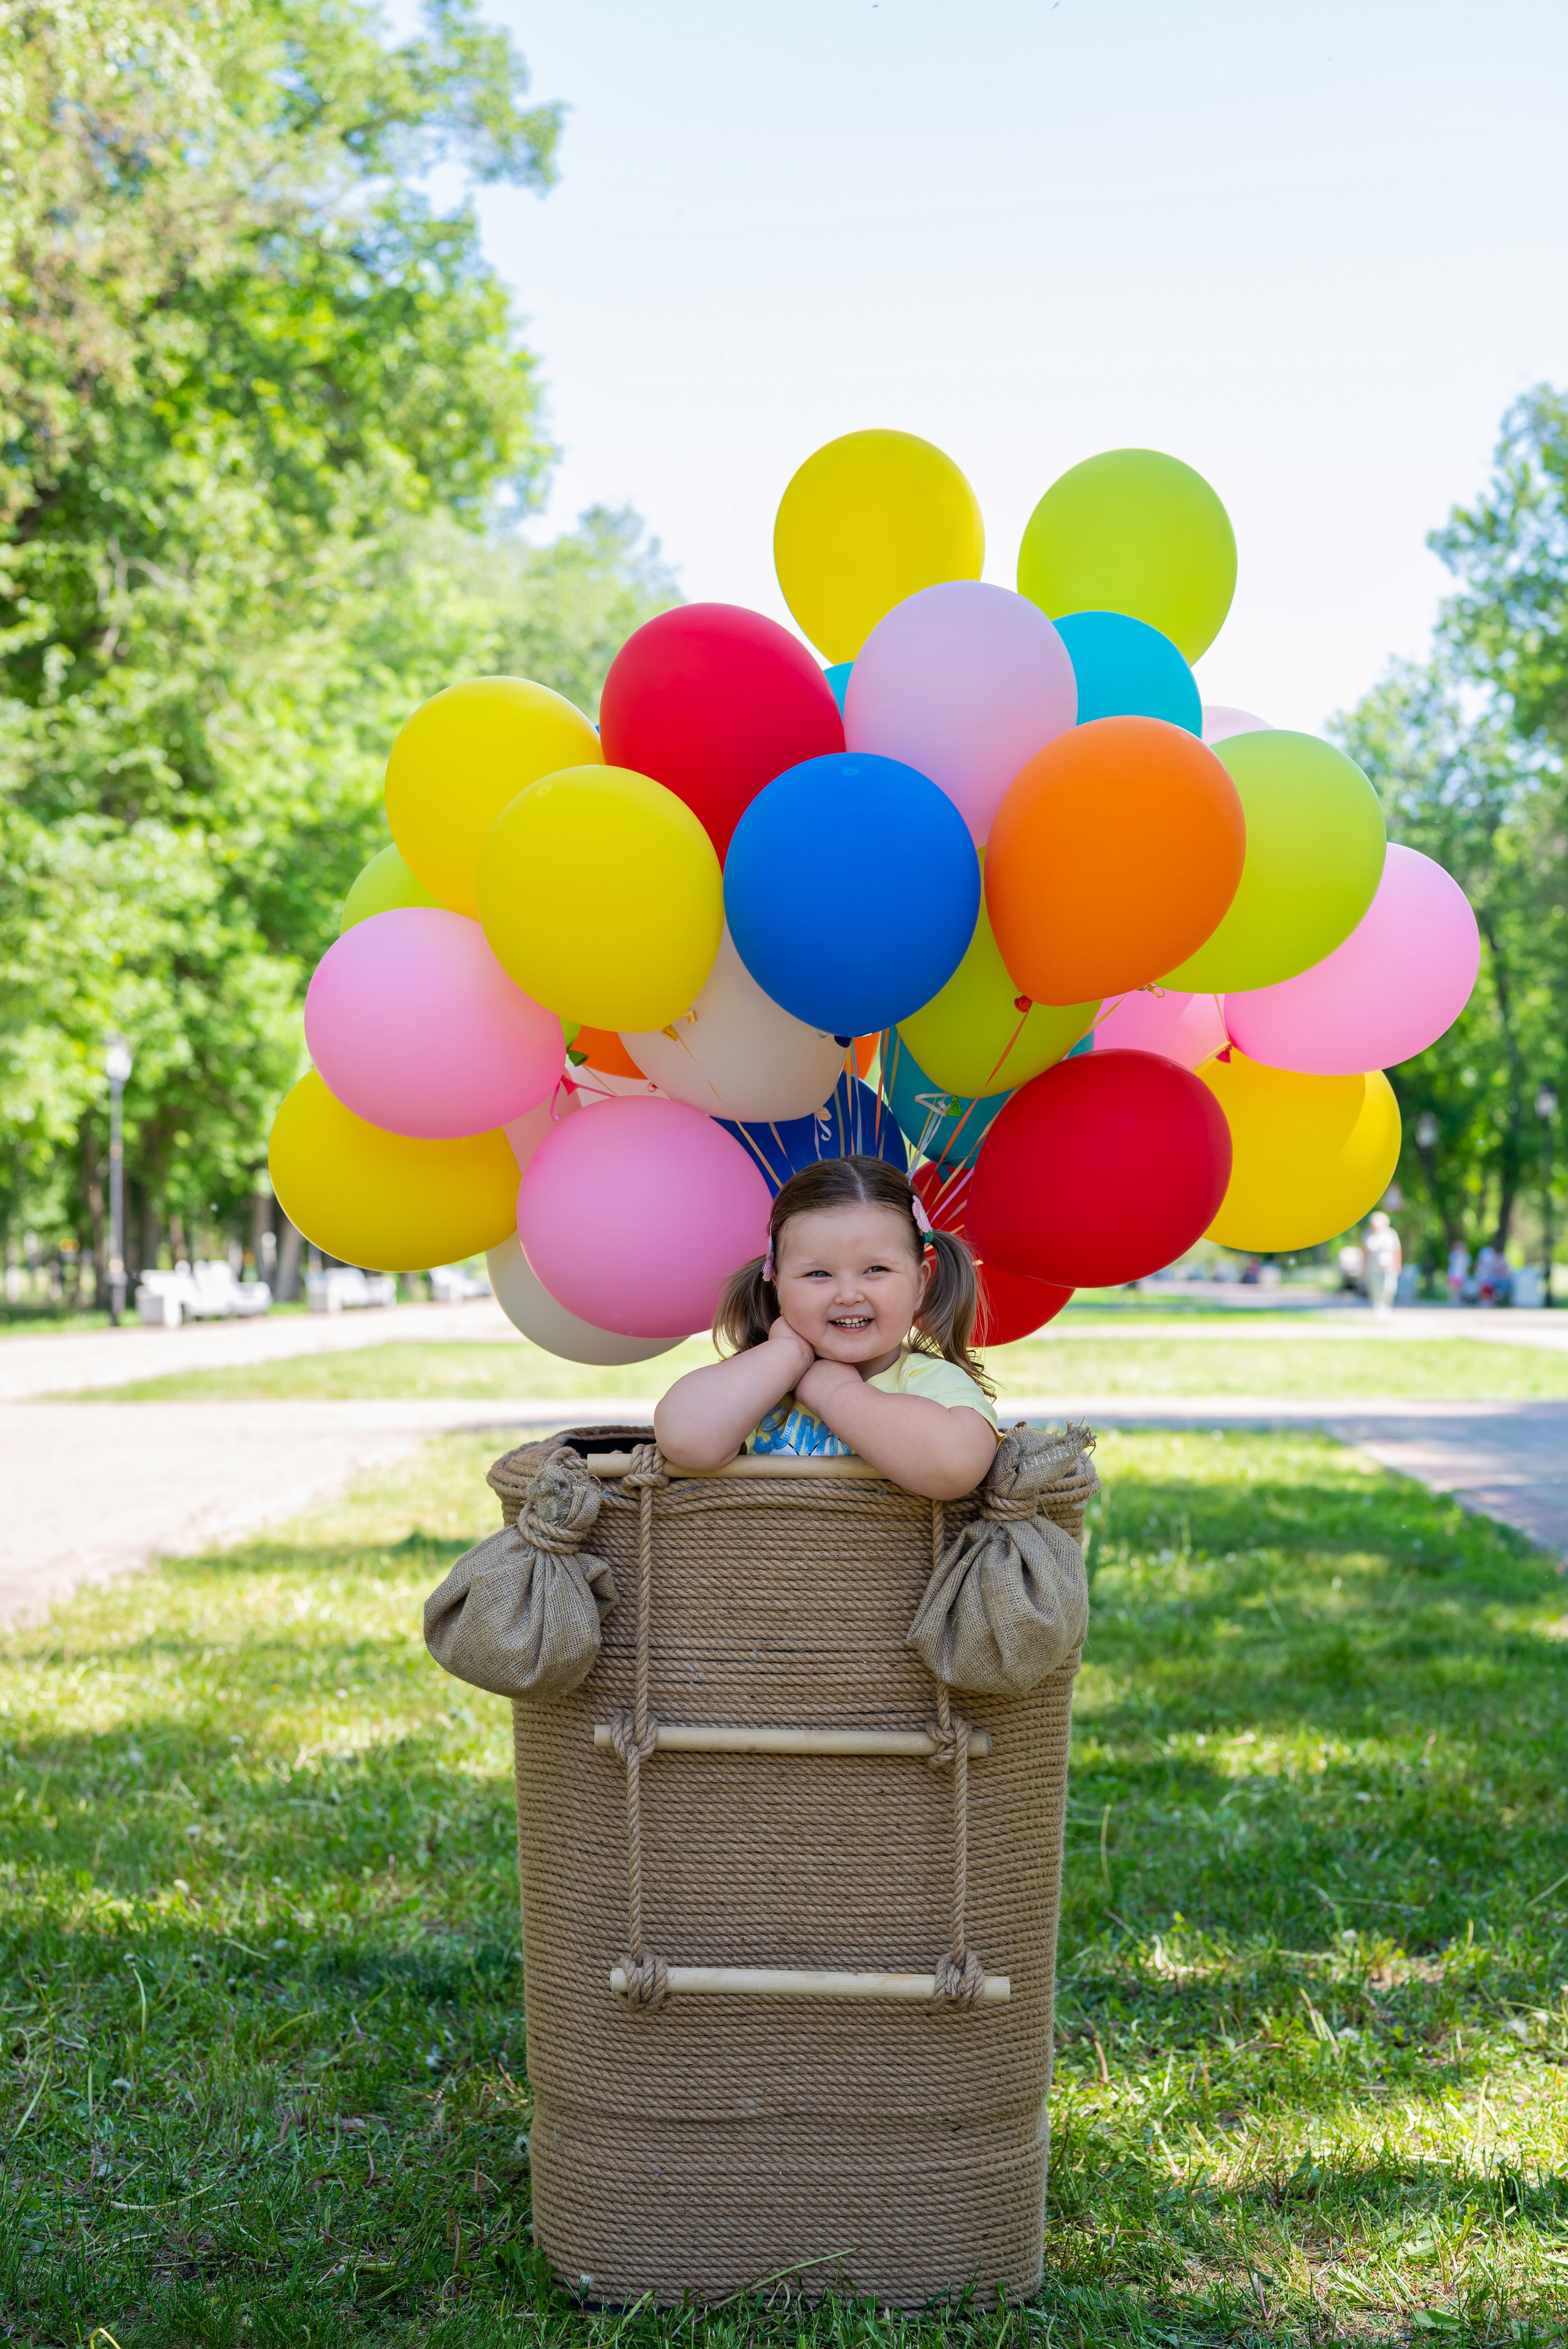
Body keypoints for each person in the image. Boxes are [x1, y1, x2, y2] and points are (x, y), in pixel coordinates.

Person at [655, 1155, 1000, 1500]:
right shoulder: (760, 1383)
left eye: (876, 1269)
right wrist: (788, 1354)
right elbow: (684, 1441)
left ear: (920, 1286)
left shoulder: (931, 1383)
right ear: (777, 1286)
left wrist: (836, 1395)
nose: (848, 1295)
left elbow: (957, 1467)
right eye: (818, 1274)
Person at [1364, 1210, 1402, 1314]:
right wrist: (1363, 1267)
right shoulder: (1368, 1235)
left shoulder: (1391, 1234)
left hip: (1388, 1266)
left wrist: (1397, 1264)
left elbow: (1396, 1250)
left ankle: (1387, 1305)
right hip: (1373, 1266)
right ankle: (1377, 1306)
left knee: (1389, 1288)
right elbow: (1364, 1252)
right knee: (1375, 1288)